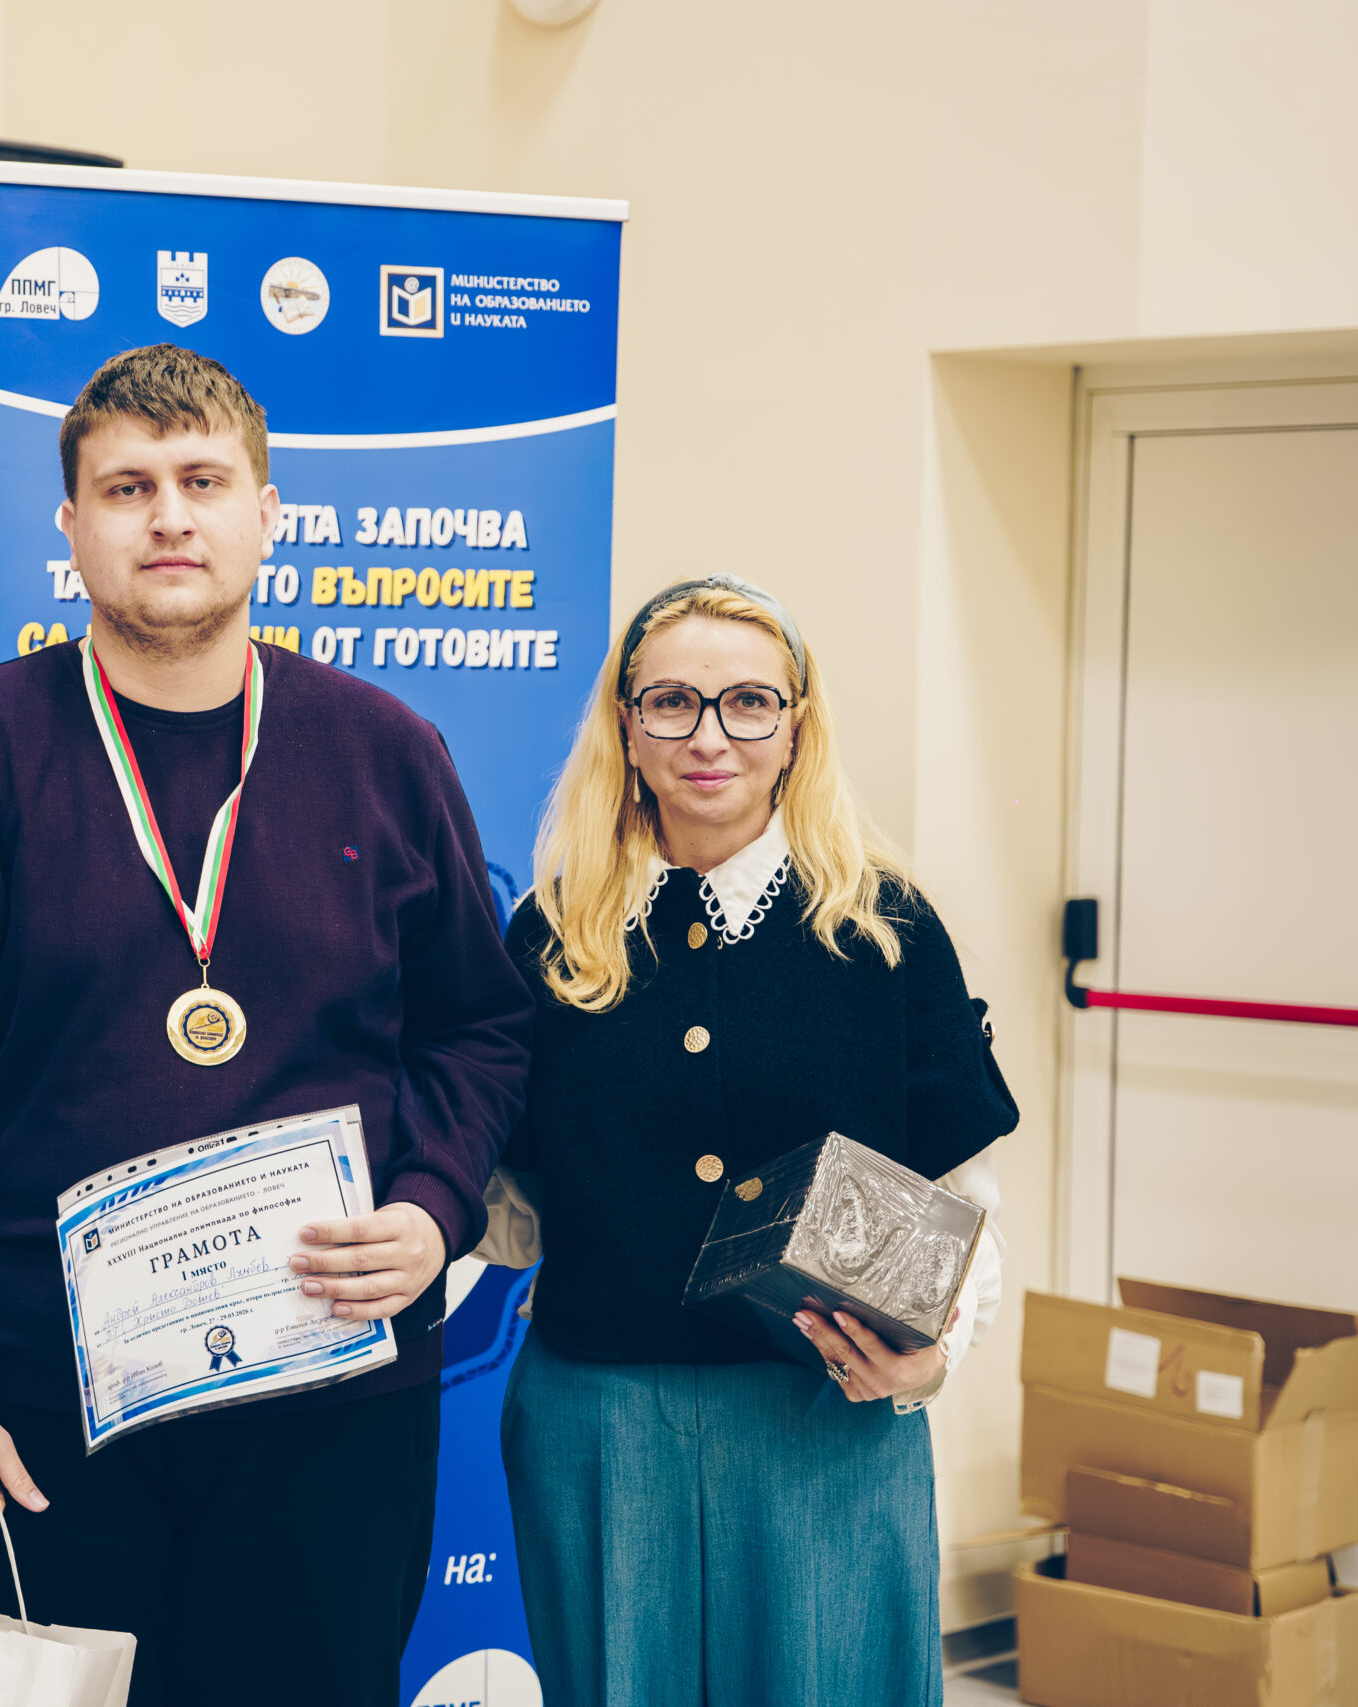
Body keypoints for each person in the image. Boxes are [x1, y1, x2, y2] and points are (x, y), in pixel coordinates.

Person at [0, 344, 532, 1707]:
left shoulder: (388, 750)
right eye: (128, 487)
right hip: (43, 1410)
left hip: (329, 1408)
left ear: (266, 514)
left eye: (203, 482)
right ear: (71, 524)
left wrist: (436, 1205)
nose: (168, 517)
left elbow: (479, 1028)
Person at [488, 574, 1015, 1707]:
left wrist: (933, 1359)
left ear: (796, 728)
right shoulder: (553, 931)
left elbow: (960, 1196)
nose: (709, 736)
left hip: (823, 1414)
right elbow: (511, 1198)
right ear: (626, 726)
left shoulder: (884, 928)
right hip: (600, 1419)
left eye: (749, 703)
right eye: (671, 701)